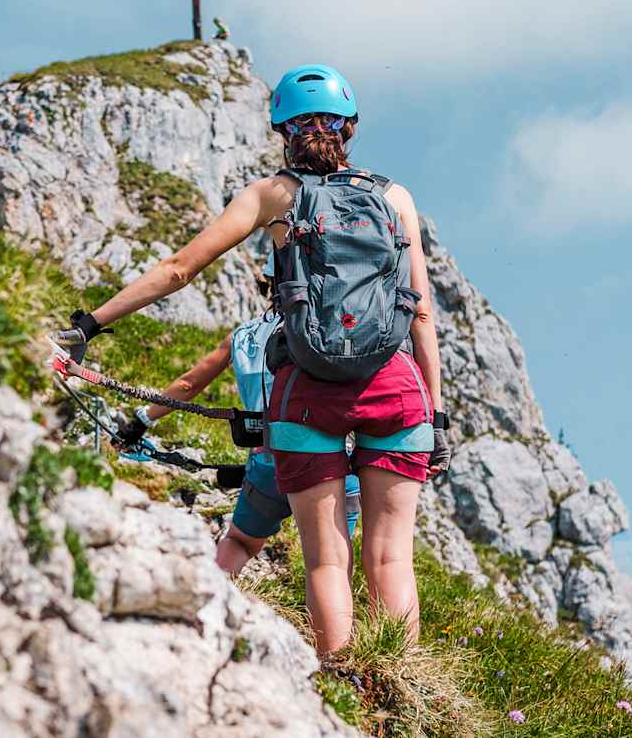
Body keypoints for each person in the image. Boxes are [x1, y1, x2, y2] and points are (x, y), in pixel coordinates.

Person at [53, 64, 447, 654]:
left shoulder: (273, 196)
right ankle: (401, 694)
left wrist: (88, 325)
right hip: (395, 388)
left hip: (307, 392)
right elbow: (420, 314)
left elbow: (179, 270)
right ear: (352, 128)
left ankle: (346, 683)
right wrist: (436, 415)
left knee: (326, 562)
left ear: (281, 130)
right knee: (391, 556)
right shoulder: (395, 198)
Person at [114, 302, 361, 577]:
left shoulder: (242, 336)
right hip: (329, 464)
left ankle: (211, 597)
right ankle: (334, 618)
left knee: (240, 542)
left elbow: (189, 384)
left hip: (267, 462)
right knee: (331, 561)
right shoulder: (327, 328)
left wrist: (142, 421)